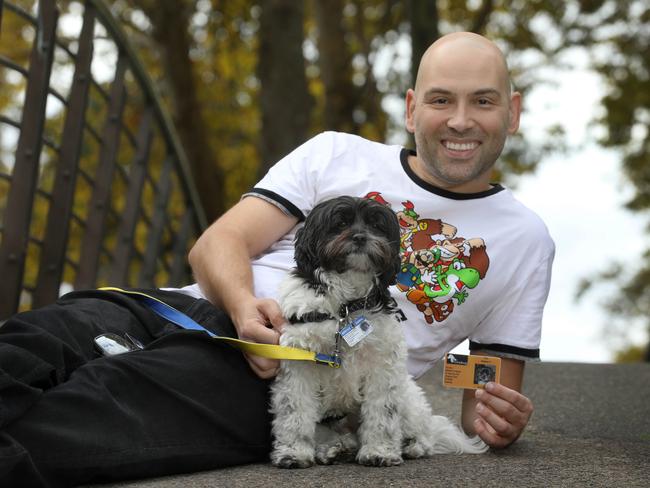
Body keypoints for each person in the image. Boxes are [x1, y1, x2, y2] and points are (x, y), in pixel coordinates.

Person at [0, 32, 554, 486]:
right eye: (441, 100)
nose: (460, 120)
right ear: (412, 109)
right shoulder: (334, 152)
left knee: (79, 415)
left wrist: (497, 419)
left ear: (512, 112)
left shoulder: (523, 240)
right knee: (34, 339)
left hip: (298, 380)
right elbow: (218, 244)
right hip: (187, 307)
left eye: (483, 100)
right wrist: (243, 308)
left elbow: (485, 392)